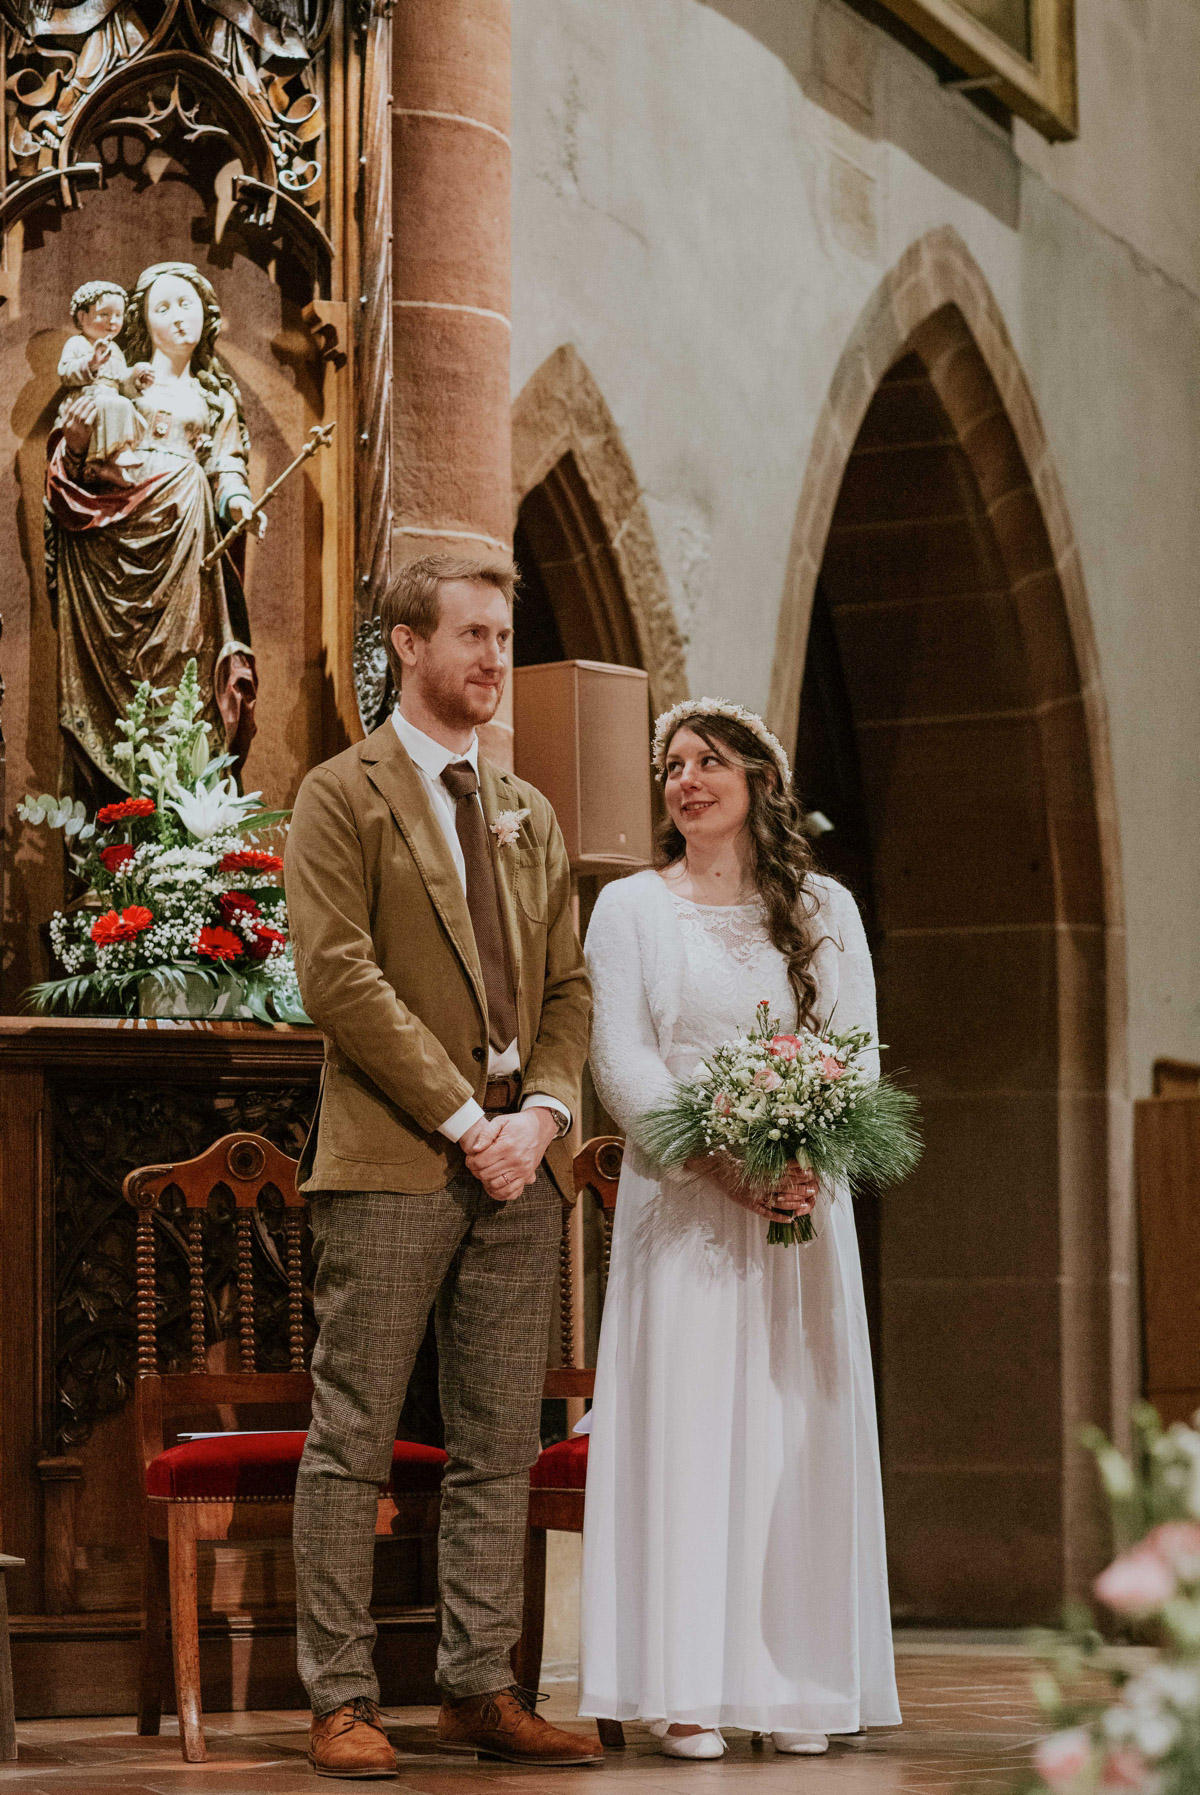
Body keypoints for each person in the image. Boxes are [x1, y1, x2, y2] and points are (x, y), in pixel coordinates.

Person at [285, 554, 601, 1778]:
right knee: (353, 1431)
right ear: (407, 643)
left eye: (503, 635)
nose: (491, 656)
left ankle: (479, 1687)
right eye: (470, 632)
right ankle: (343, 1696)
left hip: (522, 1167)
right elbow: (339, 977)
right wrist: (468, 1117)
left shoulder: (525, 809)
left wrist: (545, 1113)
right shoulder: (340, 793)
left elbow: (567, 985)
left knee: (496, 1439)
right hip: (398, 1160)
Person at [579, 696, 900, 1759]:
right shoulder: (630, 908)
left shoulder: (826, 910)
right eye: (672, 764)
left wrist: (806, 1155)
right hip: (685, 1217)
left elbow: (853, 1054)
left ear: (761, 779)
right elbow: (620, 1064)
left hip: (801, 1217)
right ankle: (688, 1688)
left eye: (708, 760)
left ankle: (794, 1681)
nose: (684, 779)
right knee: (691, 1434)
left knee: (788, 1435)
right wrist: (723, 1162)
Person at [46, 261, 259, 789]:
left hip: (188, 546)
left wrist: (236, 501)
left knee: (186, 655)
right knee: (122, 664)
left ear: (206, 317)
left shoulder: (216, 399)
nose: (177, 318)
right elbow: (76, 465)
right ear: (142, 320)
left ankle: (182, 783)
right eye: (162, 307)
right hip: (115, 540)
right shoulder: (116, 383)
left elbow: (226, 463)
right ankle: (120, 791)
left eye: (186, 304)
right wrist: (75, 446)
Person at [57, 279, 145, 476]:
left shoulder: (115, 350)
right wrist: (92, 363)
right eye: (104, 314)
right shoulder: (77, 343)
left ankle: (118, 456)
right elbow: (65, 373)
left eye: (118, 315)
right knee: (111, 404)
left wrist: (136, 379)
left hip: (111, 398)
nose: (112, 321)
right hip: (88, 399)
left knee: (125, 405)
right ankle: (112, 457)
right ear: (82, 316)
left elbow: (122, 382)